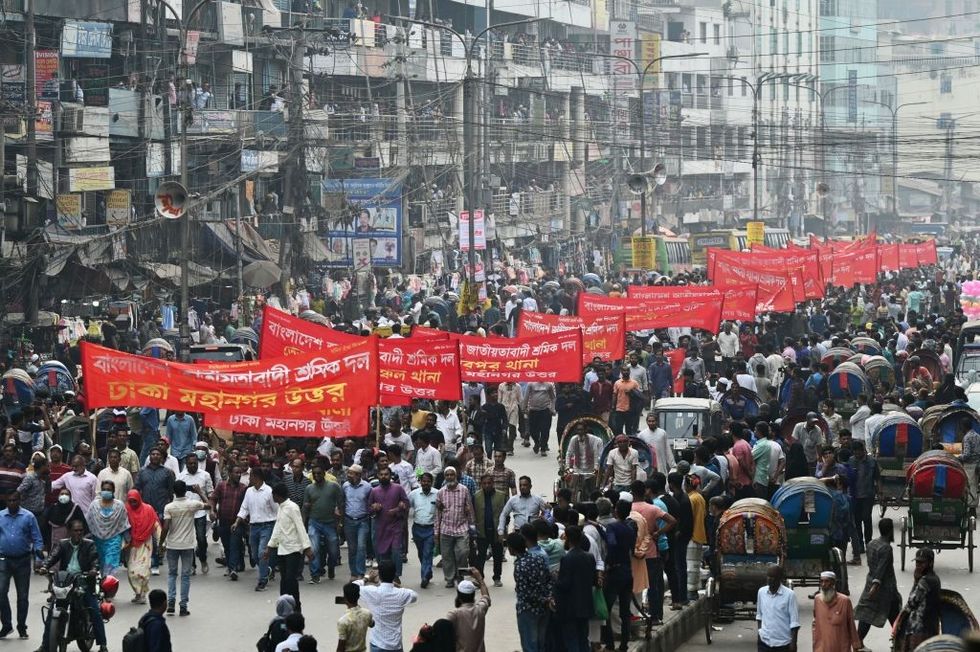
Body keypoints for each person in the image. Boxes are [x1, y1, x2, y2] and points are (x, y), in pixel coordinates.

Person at [37, 519, 108, 652]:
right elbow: (52, 557)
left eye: (81, 530)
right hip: (65, 582)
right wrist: (44, 567)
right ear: (69, 531)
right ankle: (44, 645)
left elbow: (95, 560)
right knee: (52, 610)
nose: (78, 533)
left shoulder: (89, 545)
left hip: (84, 582)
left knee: (94, 610)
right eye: (75, 530)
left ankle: (103, 644)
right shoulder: (63, 544)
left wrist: (93, 570)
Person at [0, 491, 43, 639]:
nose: (12, 503)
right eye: (9, 500)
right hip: (3, 559)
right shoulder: (0, 516)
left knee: (22, 596)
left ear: (19, 501)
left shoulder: (28, 516)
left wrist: (39, 559)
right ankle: (6, 625)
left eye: (14, 500)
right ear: (6, 502)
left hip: (23, 560)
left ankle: (21, 626)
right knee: (1, 592)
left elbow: (37, 538)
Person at [265, 482, 313, 612]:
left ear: (276, 495)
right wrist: (270, 546)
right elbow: (278, 528)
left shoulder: (292, 507)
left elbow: (300, 527)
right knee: (284, 581)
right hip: (282, 549)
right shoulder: (281, 508)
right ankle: (284, 607)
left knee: (291, 581)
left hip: (293, 549)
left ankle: (296, 607)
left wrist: (307, 547)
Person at [855, 518, 902, 649]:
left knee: (867, 614)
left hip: (870, 583)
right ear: (891, 530)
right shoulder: (886, 548)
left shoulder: (871, 543)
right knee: (895, 616)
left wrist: (873, 584)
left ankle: (858, 641)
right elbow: (881, 568)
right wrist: (876, 585)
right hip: (885, 588)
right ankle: (900, 641)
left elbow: (873, 566)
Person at [160, 480, 205, 616]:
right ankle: (183, 605)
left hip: (172, 544)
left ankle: (171, 603)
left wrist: (161, 544)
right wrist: (200, 493)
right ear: (185, 491)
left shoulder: (169, 507)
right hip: (187, 545)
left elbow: (166, 527)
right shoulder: (192, 504)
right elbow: (208, 505)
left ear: (174, 492)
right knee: (185, 576)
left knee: (172, 574)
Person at [357, 560, 419, 652]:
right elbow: (414, 595)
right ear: (394, 575)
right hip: (395, 645)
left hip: (377, 643)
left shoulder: (373, 592)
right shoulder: (401, 594)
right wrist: (396, 585)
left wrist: (366, 578)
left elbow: (351, 588)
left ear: (380, 576)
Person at [507, 530, 553, 652]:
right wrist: (548, 598)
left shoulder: (520, 566)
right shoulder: (538, 558)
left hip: (528, 610)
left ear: (512, 549)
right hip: (544, 609)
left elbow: (526, 593)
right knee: (541, 644)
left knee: (530, 646)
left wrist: (543, 599)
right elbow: (549, 580)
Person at [235, 467, 280, 591]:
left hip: (267, 525)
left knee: (261, 553)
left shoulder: (268, 491)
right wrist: (237, 521)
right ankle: (267, 569)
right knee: (254, 555)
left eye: (251, 476)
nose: (249, 479)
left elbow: (276, 509)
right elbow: (244, 508)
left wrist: (278, 525)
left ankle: (262, 580)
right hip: (253, 527)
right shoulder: (249, 491)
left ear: (257, 477)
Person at [554, 525, 596, 652]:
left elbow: (565, 584)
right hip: (586, 605)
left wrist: (556, 578)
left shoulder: (567, 559)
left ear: (568, 539)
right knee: (583, 638)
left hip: (570, 607)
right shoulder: (589, 557)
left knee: (572, 640)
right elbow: (593, 579)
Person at [600, 500, 635, 652]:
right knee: (625, 611)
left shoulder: (612, 528)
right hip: (627, 571)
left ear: (615, 511)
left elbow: (612, 544)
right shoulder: (630, 529)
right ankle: (624, 644)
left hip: (614, 572)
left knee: (606, 609)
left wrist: (608, 563)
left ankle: (609, 644)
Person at [135, 447, 175, 575]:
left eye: (158, 454)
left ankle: (156, 563)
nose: (155, 456)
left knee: (157, 539)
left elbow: (171, 491)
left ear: (161, 457)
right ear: (149, 456)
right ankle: (147, 561)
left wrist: (168, 507)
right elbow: (137, 489)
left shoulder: (167, 473)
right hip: (146, 510)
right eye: (153, 454)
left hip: (161, 510)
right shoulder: (142, 472)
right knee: (147, 538)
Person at [894, 547, 941, 652]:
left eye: (922, 563)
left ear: (930, 563)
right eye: (917, 562)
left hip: (919, 628)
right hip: (931, 626)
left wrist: (915, 581)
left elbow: (912, 602)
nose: (918, 566)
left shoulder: (925, 581)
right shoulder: (935, 578)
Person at [434, 467, 474, 589]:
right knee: (447, 556)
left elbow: (470, 509)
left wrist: (472, 526)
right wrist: (436, 532)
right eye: (447, 475)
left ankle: (460, 575)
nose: (450, 477)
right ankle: (450, 579)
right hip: (446, 528)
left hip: (461, 528)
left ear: (456, 476)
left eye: (452, 475)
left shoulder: (464, 490)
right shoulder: (441, 492)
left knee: (463, 552)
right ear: (445, 477)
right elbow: (437, 513)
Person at [303, 464, 342, 584]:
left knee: (334, 550)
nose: (317, 475)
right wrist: (303, 523)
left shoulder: (334, 487)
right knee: (314, 549)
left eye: (319, 473)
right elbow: (305, 507)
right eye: (314, 474)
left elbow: (341, 504)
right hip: (314, 522)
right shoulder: (309, 488)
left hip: (330, 522)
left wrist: (340, 523)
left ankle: (331, 566)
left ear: (324, 473)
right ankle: (315, 574)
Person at [368, 467, 408, 581]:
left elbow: (406, 503)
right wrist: (374, 507)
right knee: (382, 553)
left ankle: (396, 575)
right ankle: (385, 576)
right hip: (381, 527)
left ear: (390, 476)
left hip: (395, 526)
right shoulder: (374, 491)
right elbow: (369, 509)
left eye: (386, 474)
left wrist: (398, 509)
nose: (384, 476)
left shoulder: (398, 488)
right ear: (378, 476)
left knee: (396, 551)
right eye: (381, 474)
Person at [177, 452, 214, 575]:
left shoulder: (205, 475)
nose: (192, 465)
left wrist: (212, 510)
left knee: (201, 539)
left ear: (198, 463)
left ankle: (203, 559)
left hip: (201, 512)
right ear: (186, 464)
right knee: (188, 541)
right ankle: (191, 565)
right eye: (190, 464)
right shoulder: (181, 477)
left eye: (195, 463)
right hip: (186, 513)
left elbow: (210, 493)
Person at [86, 479, 130, 575]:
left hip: (114, 540)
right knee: (99, 565)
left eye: (109, 490)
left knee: (110, 566)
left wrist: (127, 539)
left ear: (113, 491)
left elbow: (124, 523)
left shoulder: (119, 505)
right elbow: (88, 522)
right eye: (104, 489)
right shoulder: (94, 505)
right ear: (101, 490)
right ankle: (100, 587)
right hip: (97, 539)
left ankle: (108, 586)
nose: (106, 491)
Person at [211, 464, 247, 581]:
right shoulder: (221, 486)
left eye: (239, 473)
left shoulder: (243, 488)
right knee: (227, 546)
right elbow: (213, 498)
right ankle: (232, 565)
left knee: (234, 544)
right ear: (230, 474)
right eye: (236, 473)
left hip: (237, 522)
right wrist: (212, 511)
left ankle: (233, 569)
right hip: (223, 522)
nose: (238, 475)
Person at [847, 441, 879, 565]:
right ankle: (860, 544)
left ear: (863, 450)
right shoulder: (850, 461)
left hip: (868, 495)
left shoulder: (872, 461)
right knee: (857, 520)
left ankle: (869, 542)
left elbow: (877, 477)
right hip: (854, 496)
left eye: (859, 451)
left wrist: (880, 492)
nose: (857, 453)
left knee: (867, 518)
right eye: (854, 451)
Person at [125, 489, 160, 603]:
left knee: (143, 570)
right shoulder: (126, 510)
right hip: (132, 545)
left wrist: (161, 542)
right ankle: (137, 592)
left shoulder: (148, 509)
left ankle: (142, 594)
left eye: (135, 501)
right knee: (131, 571)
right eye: (131, 502)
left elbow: (155, 525)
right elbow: (122, 527)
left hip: (146, 544)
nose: (133, 504)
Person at [811, 570, 859, 652]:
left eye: (826, 581)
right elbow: (815, 623)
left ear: (833, 583)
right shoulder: (817, 599)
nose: (823, 584)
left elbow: (851, 624)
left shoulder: (844, 601)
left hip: (840, 647)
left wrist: (855, 645)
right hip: (822, 647)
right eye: (821, 581)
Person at [755, 565, 799, 652]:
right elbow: (759, 616)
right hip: (764, 643)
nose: (769, 579)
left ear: (780, 578)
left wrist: (793, 644)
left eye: (773, 577)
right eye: (768, 576)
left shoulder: (789, 595)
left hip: (783, 644)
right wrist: (760, 633)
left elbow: (794, 622)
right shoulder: (761, 592)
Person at [473, 474, 506, 587]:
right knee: (481, 556)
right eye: (484, 483)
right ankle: (479, 578)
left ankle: (497, 577)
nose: (487, 485)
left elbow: (506, 514)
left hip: (497, 531)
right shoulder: (476, 496)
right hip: (481, 530)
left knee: (497, 555)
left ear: (493, 483)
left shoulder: (501, 496)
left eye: (489, 483)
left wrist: (503, 528)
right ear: (481, 484)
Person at [446, 571, 491, 652]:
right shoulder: (480, 609)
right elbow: (486, 597)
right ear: (473, 595)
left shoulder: (454, 614)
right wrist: (480, 579)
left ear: (458, 595)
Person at [342, 464, 372, 581]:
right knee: (352, 548)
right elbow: (343, 501)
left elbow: (370, 502)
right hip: (349, 520)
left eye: (351, 473)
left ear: (359, 475)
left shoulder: (367, 487)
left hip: (363, 520)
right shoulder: (345, 486)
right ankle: (353, 573)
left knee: (361, 547)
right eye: (348, 473)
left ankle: (360, 572)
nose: (348, 476)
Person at [408, 472, 437, 588]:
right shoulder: (414, 494)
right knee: (421, 553)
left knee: (427, 553)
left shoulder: (437, 493)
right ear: (420, 482)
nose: (425, 483)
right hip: (417, 528)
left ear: (431, 482)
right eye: (423, 481)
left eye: (428, 481)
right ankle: (428, 572)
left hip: (431, 528)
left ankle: (424, 577)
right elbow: (407, 506)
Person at [564, 422, 604, 501]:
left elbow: (598, 456)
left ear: (586, 430)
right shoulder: (574, 439)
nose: (580, 432)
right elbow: (569, 454)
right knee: (572, 489)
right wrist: (567, 466)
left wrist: (596, 468)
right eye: (578, 430)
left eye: (581, 429)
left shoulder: (595, 440)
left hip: (591, 469)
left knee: (593, 490)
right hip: (577, 469)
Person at [336, 582, 373, 652]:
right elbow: (372, 624)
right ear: (358, 596)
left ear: (345, 598)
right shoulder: (367, 613)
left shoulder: (343, 621)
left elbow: (341, 645)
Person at [958, 416, 980, 516]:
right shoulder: (977, 435)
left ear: (963, 426)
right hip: (977, 464)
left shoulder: (967, 437)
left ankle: (971, 510)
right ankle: (972, 507)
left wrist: (958, 457)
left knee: (971, 486)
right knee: (974, 485)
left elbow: (966, 455)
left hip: (970, 465)